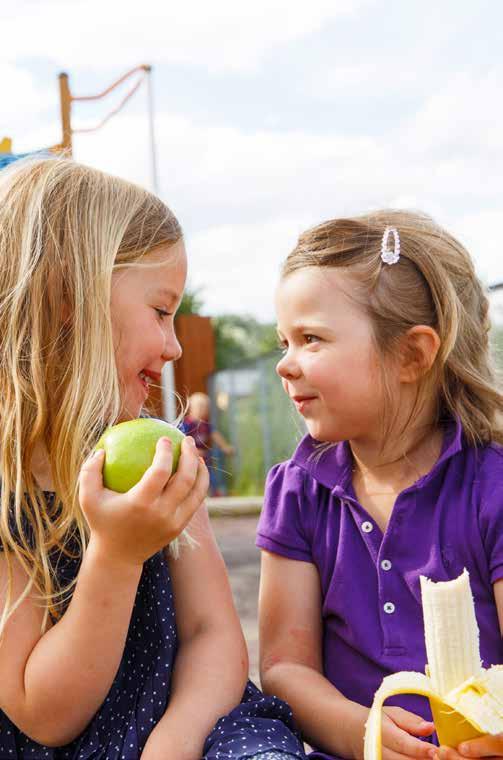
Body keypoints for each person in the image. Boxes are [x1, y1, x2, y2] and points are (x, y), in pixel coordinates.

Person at [0, 157, 306, 760]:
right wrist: (117, 553)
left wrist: (176, 740)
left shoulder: (159, 455)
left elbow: (213, 635)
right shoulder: (8, 481)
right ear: (70, 300)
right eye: (161, 311)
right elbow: (43, 713)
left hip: (190, 723)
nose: (173, 345)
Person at [256, 212, 503, 760]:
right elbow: (284, 666)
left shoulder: (493, 489)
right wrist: (360, 730)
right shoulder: (298, 493)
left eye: (311, 339)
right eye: (284, 342)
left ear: (412, 355)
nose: (285, 365)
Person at [182, 392, 235, 495]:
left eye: (205, 407)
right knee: (192, 476)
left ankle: (215, 493)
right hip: (190, 457)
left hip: (204, 457)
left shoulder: (205, 425)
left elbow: (215, 435)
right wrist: (195, 451)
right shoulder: (187, 424)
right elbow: (182, 439)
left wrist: (225, 447)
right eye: (199, 406)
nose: (202, 409)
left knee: (210, 474)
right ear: (191, 408)